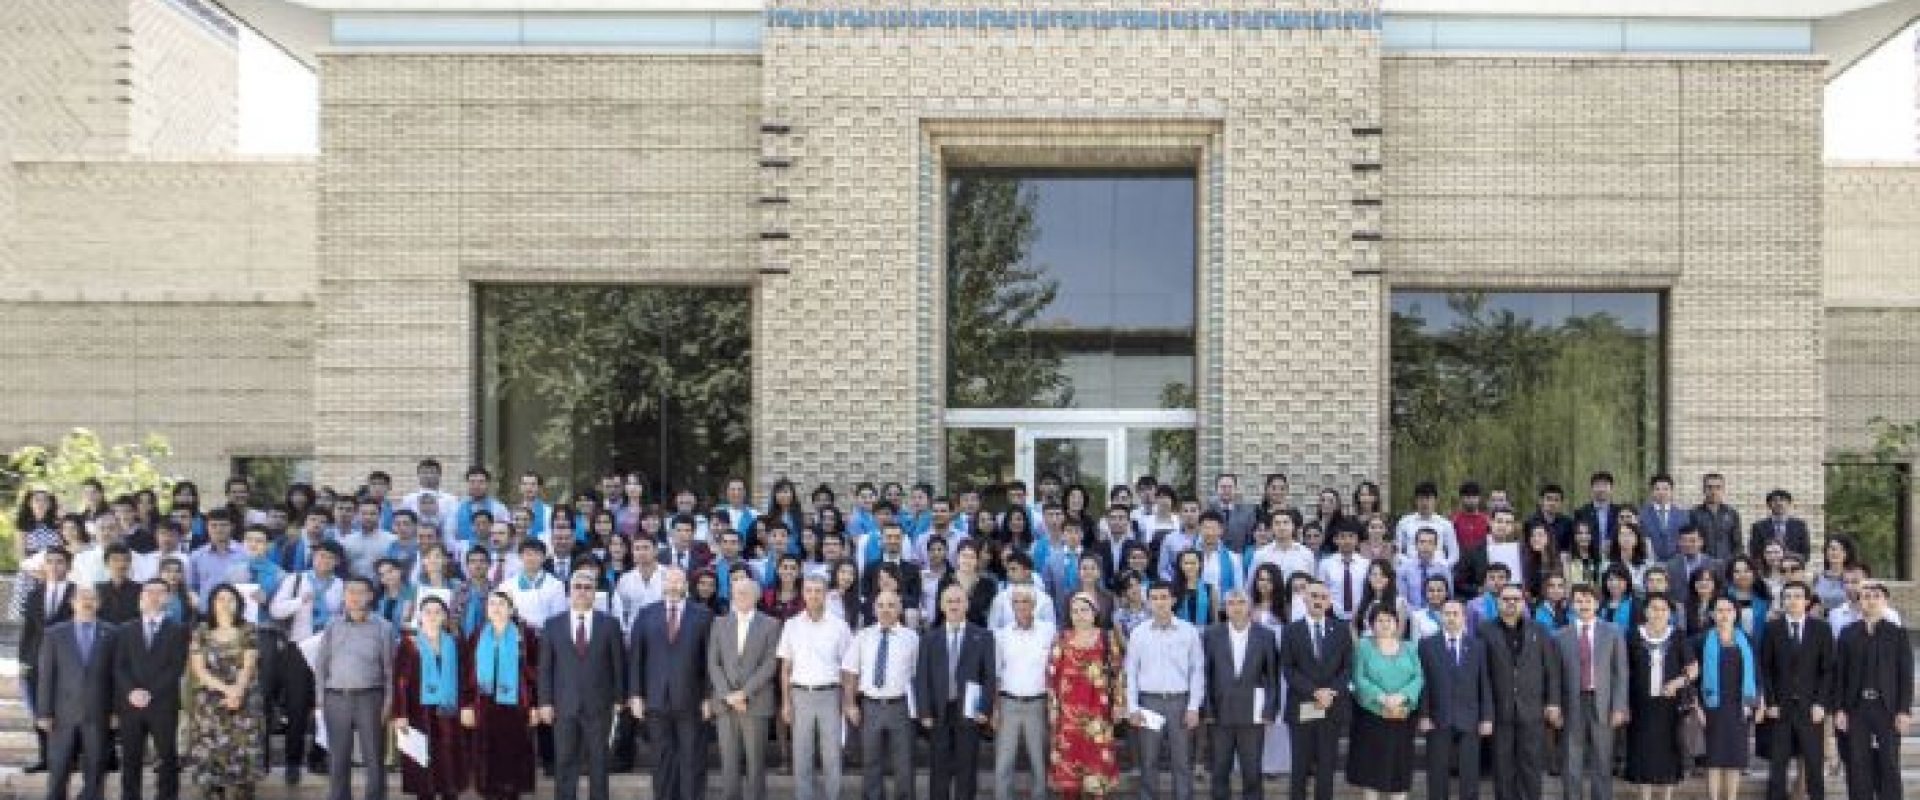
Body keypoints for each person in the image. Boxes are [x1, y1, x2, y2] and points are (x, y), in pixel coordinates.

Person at [629, 567, 714, 800]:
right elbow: (636, 656)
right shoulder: (646, 613)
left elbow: (709, 660)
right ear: (662, 584)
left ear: (686, 585)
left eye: (679, 582)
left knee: (691, 759)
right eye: (670, 581)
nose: (674, 586)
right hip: (656, 700)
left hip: (691, 700)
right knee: (661, 760)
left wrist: (709, 696)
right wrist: (635, 694)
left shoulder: (703, 615)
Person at [540, 572, 626, 800]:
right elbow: (545, 668)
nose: (582, 591)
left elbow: (618, 665)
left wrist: (619, 699)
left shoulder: (609, 624)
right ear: (569, 591)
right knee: (565, 762)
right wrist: (545, 702)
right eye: (577, 586)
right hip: (564, 706)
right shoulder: (552, 625)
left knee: (599, 764)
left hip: (600, 706)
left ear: (595, 592)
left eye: (588, 587)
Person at [316, 577, 395, 800]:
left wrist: (389, 702)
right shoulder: (332, 625)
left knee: (374, 758)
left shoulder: (384, 627)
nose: (354, 596)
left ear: (370, 596)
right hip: (336, 698)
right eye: (350, 591)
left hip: (370, 698)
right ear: (344, 595)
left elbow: (390, 669)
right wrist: (320, 699)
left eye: (361, 592)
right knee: (338, 758)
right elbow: (321, 664)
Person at [35, 582, 116, 800]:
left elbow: (116, 676)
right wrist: (43, 713)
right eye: (82, 598)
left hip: (98, 713)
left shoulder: (111, 633)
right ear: (72, 603)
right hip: (63, 714)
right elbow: (46, 676)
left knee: (96, 769)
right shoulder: (54, 634)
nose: (87, 602)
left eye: (91, 598)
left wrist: (115, 711)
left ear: (98, 603)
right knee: (59, 768)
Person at [1833, 579, 1912, 800]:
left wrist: (1904, 710)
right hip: (1856, 708)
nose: (1871, 600)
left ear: (1885, 600)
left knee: (1889, 763)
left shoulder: (1898, 634)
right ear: (1859, 602)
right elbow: (1840, 674)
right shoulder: (1848, 633)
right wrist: (1839, 709)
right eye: (1866, 596)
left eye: (1876, 596)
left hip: (1887, 708)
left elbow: (1905, 676)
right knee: (1858, 764)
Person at [1481, 583, 1561, 800]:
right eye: (1506, 599)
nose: (1511, 603)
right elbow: (1482, 674)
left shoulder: (1539, 629)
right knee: (1503, 766)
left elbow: (1551, 669)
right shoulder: (1484, 630)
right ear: (1498, 602)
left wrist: (1553, 702)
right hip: (1500, 709)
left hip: (1532, 709)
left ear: (1523, 603)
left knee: (1531, 765)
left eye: (1516, 599)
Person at [917, 584, 996, 800]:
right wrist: (923, 711)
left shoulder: (983, 636)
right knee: (938, 770)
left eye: (958, 600)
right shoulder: (929, 638)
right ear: (942, 605)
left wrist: (984, 709)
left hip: (969, 713)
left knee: (967, 769)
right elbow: (922, 677)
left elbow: (989, 677)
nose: (954, 605)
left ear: (967, 604)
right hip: (937, 712)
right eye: (949, 601)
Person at [1127, 583, 1205, 800]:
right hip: (1149, 703)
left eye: (1164, 597)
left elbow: (1197, 671)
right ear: (1148, 602)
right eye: (1154, 598)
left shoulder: (1189, 631)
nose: (1159, 602)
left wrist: (1193, 707)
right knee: (1148, 759)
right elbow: (1131, 672)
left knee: (1182, 760)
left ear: (1173, 600)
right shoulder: (1138, 633)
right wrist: (1133, 707)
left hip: (1180, 702)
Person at [779, 574, 854, 800]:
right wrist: (785, 702)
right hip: (800, 694)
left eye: (818, 591)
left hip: (830, 694)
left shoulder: (840, 627)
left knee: (831, 755)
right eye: (809, 590)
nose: (813, 595)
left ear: (825, 594)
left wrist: (847, 702)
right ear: (803, 594)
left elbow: (848, 669)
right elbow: (785, 668)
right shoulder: (791, 625)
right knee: (802, 754)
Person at [711, 571, 784, 800]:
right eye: (736, 593)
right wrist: (728, 695)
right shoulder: (719, 623)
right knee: (729, 765)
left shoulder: (771, 625)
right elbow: (713, 663)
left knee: (756, 766)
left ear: (756, 596)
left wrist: (744, 693)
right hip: (726, 705)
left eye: (745, 593)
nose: (739, 596)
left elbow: (770, 664)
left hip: (756, 703)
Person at [115, 579, 190, 800]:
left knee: (167, 757)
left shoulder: (178, 630)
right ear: (141, 598)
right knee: (130, 758)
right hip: (131, 705)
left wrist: (150, 693)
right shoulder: (126, 629)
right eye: (149, 592)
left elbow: (176, 667)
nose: (154, 597)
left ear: (167, 598)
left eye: (160, 592)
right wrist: (132, 692)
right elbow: (119, 666)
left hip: (163, 704)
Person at [1203, 589, 1281, 800]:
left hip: (1252, 714)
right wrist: (1207, 710)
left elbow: (1272, 676)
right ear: (1225, 608)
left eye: (1241, 602)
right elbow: (1205, 675)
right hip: (1220, 714)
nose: (1236, 607)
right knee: (1219, 771)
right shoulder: (1211, 634)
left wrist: (1270, 709)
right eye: (1231, 603)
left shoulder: (1266, 635)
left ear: (1249, 607)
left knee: (1252, 772)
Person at [187, 583, 262, 800]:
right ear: (211, 603)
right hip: (210, 704)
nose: (225, 603)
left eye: (231, 598)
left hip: (244, 701)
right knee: (212, 763)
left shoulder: (248, 629)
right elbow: (199, 670)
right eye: (220, 598)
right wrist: (227, 690)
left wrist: (237, 692)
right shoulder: (201, 631)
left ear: (239, 603)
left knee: (243, 764)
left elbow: (248, 665)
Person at [1049, 592, 1127, 800]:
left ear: (1095, 613)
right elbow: (1052, 675)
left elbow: (1118, 673)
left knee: (1097, 769)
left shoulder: (1107, 637)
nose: (1079, 615)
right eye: (1074, 611)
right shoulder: (1061, 638)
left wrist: (1119, 704)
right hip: (1068, 715)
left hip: (1098, 713)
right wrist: (1053, 708)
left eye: (1084, 610)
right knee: (1070, 773)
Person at [1555, 584, 1630, 800]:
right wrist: (1556, 706)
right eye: (1579, 601)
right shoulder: (1559, 636)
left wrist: (1619, 707)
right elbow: (1556, 676)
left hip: (1604, 704)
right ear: (1571, 605)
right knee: (1571, 760)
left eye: (1588, 600)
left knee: (1603, 759)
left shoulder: (1613, 632)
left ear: (1597, 604)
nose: (1584, 605)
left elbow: (1621, 673)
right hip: (1572, 703)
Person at [843, 589, 919, 800]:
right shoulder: (863, 636)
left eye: (891, 605)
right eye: (881, 605)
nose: (886, 610)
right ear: (875, 609)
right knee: (871, 762)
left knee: (904, 763)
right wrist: (850, 704)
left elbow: (917, 676)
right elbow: (850, 671)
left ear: (900, 609)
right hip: (870, 707)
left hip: (901, 707)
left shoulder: (912, 638)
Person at [1762, 581, 1834, 800]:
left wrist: (1821, 703)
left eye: (1797, 596)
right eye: (1788, 597)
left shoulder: (1822, 628)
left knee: (1813, 764)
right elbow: (1765, 668)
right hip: (1780, 709)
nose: (1792, 601)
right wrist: (1771, 702)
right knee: (1777, 766)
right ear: (1782, 601)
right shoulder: (1772, 628)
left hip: (1811, 708)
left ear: (1807, 601)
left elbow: (1828, 670)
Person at [390, 596, 467, 800]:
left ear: (444, 616)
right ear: (420, 616)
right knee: (423, 768)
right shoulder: (409, 644)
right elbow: (399, 682)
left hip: (449, 712)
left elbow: (464, 676)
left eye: (437, 612)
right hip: (418, 713)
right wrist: (400, 714)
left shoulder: (455, 642)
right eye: (427, 611)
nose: (432, 616)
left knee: (450, 766)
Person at [1280, 580, 1351, 800]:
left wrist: (1329, 693)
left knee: (1326, 768)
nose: (1318, 601)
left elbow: (1348, 668)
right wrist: (1315, 692)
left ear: (1329, 602)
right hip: (1302, 706)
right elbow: (1288, 669)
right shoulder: (1291, 630)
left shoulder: (1341, 630)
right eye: (1314, 596)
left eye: (1323, 597)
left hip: (1331, 708)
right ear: (1305, 598)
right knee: (1299, 768)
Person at [465, 591, 539, 800]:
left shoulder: (525, 635)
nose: (496, 608)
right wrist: (468, 705)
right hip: (485, 705)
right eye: (492, 604)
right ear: (486, 609)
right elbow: (467, 672)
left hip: (515, 706)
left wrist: (534, 705)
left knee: (512, 763)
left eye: (501, 604)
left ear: (511, 609)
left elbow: (535, 672)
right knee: (487, 762)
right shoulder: (478, 634)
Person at [1418, 599, 1491, 800]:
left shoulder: (1477, 646)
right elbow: (1423, 683)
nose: (1451, 618)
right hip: (1437, 716)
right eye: (1447, 613)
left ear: (1464, 617)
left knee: (1469, 774)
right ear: (1441, 617)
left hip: (1470, 717)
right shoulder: (1426, 645)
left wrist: (1486, 717)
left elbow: (1484, 682)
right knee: (1437, 773)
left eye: (1455, 613)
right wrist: (1423, 715)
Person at [1347, 605, 1422, 800]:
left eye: (1389, 620)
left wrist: (1402, 696)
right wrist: (1382, 697)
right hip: (1372, 718)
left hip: (1402, 717)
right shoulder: (1363, 646)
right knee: (1372, 772)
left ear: (1397, 624)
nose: (1385, 624)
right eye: (1379, 620)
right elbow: (1359, 677)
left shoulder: (1409, 647)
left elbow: (1418, 678)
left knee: (1400, 770)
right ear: (1372, 624)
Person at [1622, 594, 1689, 800]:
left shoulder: (1677, 635)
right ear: (1646, 611)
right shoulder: (1633, 635)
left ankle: (1667, 796)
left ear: (1669, 613)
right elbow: (1625, 669)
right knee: (1643, 750)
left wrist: (1678, 683)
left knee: (1668, 750)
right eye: (1653, 608)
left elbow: (1693, 668)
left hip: (1669, 705)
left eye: (1662, 609)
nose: (1658, 612)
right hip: (1641, 704)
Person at [1695, 595, 1762, 800]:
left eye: (1728, 610)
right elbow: (1691, 675)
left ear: (1735, 614)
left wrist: (1760, 702)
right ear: (1712, 614)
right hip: (1712, 705)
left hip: (1740, 705)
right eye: (1719, 610)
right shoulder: (1701, 640)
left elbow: (1757, 673)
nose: (1724, 615)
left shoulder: (1747, 639)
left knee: (1735, 758)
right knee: (1714, 758)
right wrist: (1697, 707)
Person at [994, 585, 1055, 800]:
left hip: (1038, 703)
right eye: (1016, 602)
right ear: (1011, 606)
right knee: (1004, 762)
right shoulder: (1001, 636)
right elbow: (996, 674)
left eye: (1025, 601)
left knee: (1039, 762)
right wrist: (995, 708)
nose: (1021, 606)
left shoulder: (1049, 632)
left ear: (1034, 605)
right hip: (1008, 703)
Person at [21, 545, 76, 774]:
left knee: (66, 713)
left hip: (67, 664)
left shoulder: (78, 592)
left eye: (59, 561)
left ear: (69, 566)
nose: (54, 566)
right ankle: (45, 758)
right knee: (40, 711)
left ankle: (68, 759)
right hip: (36, 662)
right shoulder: (34, 594)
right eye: (50, 561)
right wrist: (23, 660)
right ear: (44, 566)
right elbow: (28, 631)